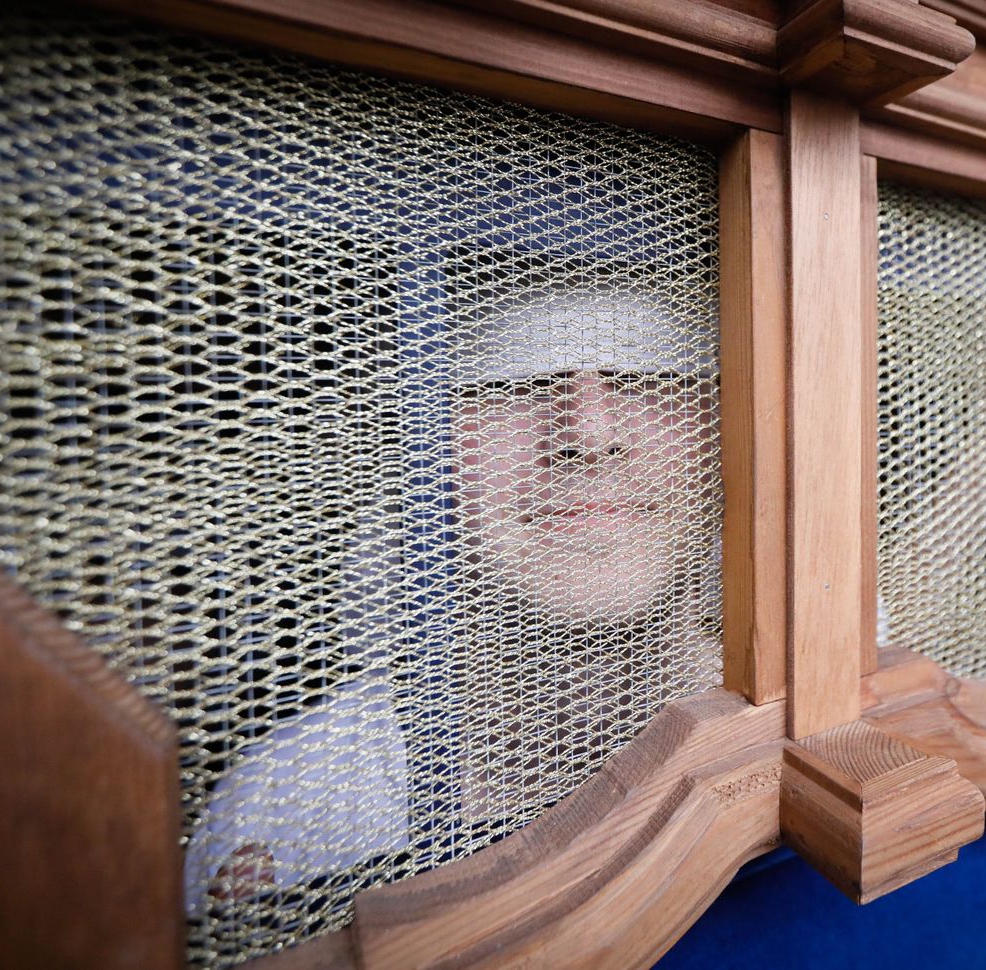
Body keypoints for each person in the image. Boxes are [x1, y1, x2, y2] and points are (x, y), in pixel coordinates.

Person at [183, 272, 720, 918]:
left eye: (644, 371)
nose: (587, 430)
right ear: (417, 447)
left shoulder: (810, 710)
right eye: (507, 382)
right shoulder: (296, 804)